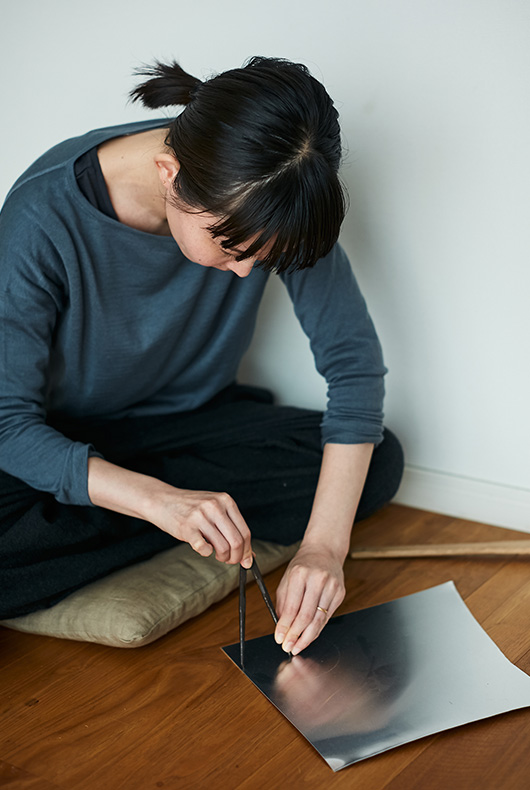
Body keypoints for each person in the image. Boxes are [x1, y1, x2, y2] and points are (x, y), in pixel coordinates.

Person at [0, 57, 403, 654]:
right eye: (232, 246)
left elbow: (353, 367)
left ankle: (185, 519)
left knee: (380, 461)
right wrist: (155, 500)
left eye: (261, 258)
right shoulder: (42, 215)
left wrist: (324, 548)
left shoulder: (281, 196)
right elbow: (8, 422)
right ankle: (180, 516)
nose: (245, 271)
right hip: (61, 436)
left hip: (186, 425)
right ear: (170, 174)